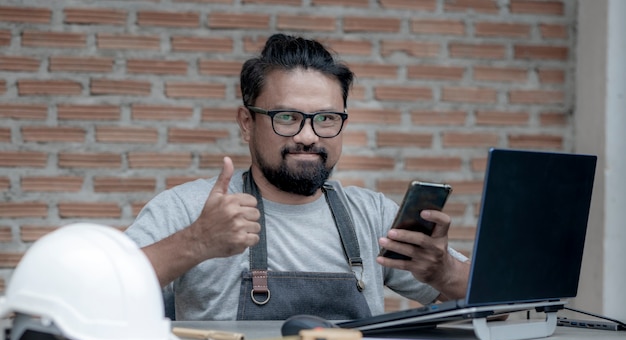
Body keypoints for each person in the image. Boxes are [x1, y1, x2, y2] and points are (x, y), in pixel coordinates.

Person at [125, 33, 470, 321]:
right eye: (288, 117)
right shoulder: (190, 209)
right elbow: (100, 288)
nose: (308, 136)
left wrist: (445, 273)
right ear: (247, 123)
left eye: (326, 118)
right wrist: (196, 242)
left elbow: (496, 305)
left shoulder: (374, 216)